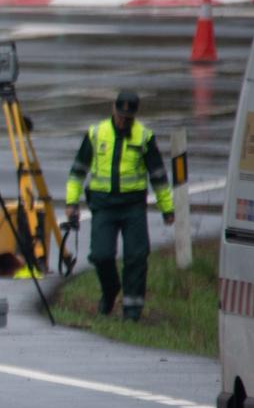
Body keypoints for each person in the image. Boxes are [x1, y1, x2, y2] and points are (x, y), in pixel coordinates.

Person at [66, 90, 174, 321]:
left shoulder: (143, 137)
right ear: (113, 110)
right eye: (121, 115)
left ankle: (132, 312)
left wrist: (167, 208)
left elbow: (158, 176)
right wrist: (71, 202)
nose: (124, 121)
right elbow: (77, 172)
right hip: (103, 205)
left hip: (132, 206)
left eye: (129, 117)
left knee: (136, 256)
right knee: (101, 255)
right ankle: (110, 290)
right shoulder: (96, 134)